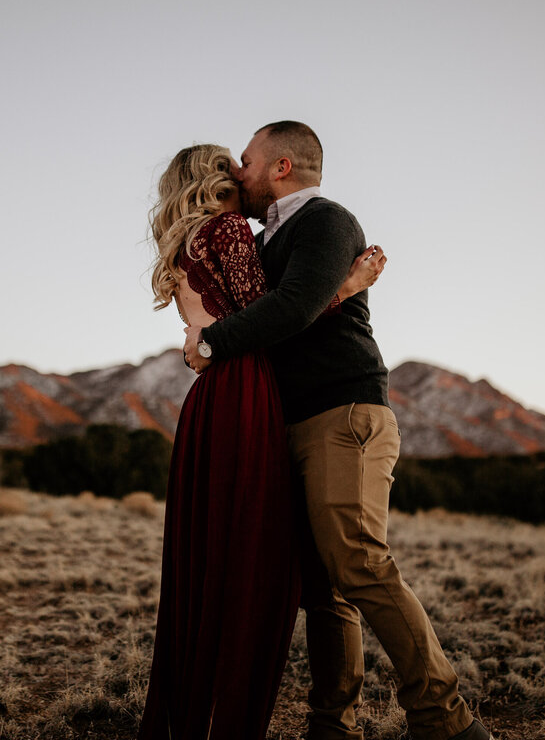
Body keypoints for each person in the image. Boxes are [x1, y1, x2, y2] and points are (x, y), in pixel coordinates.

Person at [182, 122, 492, 740]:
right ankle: (332, 728)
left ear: (281, 167)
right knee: (323, 589)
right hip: (292, 422)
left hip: (343, 414)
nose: (237, 173)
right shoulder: (264, 238)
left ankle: (448, 724)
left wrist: (212, 343)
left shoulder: (326, 221)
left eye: (246, 161)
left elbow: (293, 310)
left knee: (359, 565)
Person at [138, 143, 383, 740]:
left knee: (209, 558)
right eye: (232, 162)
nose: (240, 171)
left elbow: (214, 328)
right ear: (216, 176)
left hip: (210, 399)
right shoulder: (225, 230)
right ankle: (232, 718)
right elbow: (274, 317)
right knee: (253, 558)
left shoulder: (183, 242)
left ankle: (193, 710)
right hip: (245, 392)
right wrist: (349, 286)